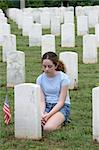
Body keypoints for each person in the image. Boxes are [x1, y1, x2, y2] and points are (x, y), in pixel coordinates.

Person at [36, 51, 71, 131]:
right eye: (44, 66)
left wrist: (48, 115)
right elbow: (42, 100)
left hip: (61, 106)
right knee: (36, 125)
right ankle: (53, 120)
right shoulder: (40, 79)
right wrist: (42, 114)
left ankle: (62, 121)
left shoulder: (63, 78)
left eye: (49, 66)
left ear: (56, 65)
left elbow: (61, 102)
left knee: (47, 128)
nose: (46, 69)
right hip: (46, 105)